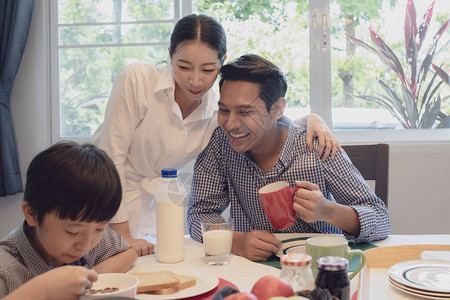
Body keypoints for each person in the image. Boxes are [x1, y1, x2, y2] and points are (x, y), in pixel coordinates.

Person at [92, 14, 341, 256]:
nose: (196, 80)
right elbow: (111, 158)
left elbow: (261, 117)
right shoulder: (136, 79)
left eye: (209, 69)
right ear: (170, 55)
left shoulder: (217, 110)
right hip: (98, 192)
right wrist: (122, 234)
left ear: (222, 62)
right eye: (183, 67)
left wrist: (310, 119)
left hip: (158, 206)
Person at [187, 54, 391, 262]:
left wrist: (327, 210)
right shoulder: (220, 144)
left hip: (321, 268)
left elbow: (381, 219)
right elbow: (199, 215)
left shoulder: (316, 145)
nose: (230, 124)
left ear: (277, 109)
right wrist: (237, 242)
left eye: (245, 112)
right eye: (224, 110)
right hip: (251, 270)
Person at [0, 142, 138, 299]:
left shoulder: (88, 230)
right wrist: (44, 289)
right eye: (72, 232)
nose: (85, 246)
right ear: (32, 214)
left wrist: (89, 279)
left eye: (100, 229)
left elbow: (129, 251)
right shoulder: (5, 269)